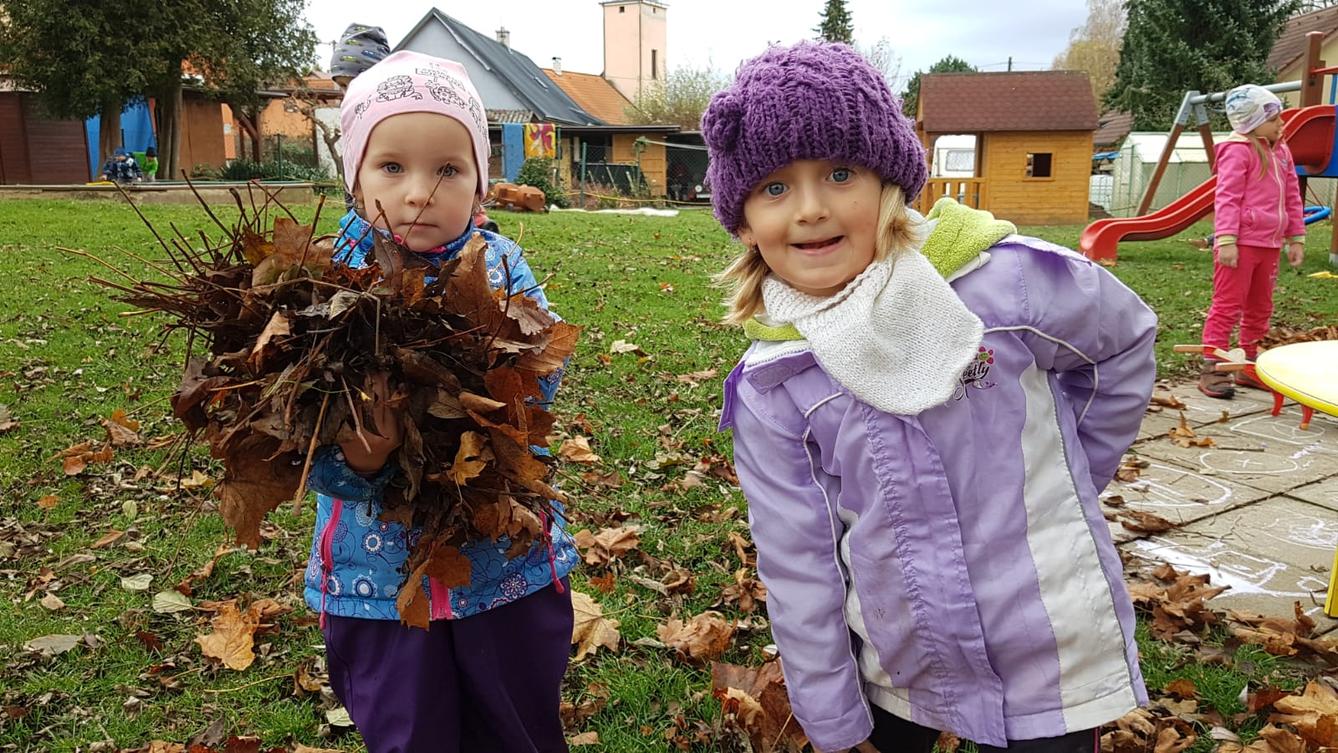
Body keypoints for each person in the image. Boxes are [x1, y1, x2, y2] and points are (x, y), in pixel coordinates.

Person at [704, 42, 1157, 753]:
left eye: (840, 172)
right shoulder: (778, 382)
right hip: (902, 654)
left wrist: (1071, 476)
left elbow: (1123, 343)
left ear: (890, 178)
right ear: (742, 218)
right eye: (774, 187)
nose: (811, 210)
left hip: (1050, 644)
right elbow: (799, 563)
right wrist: (832, 718)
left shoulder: (1001, 288)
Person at [302, 50, 577, 753]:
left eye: (448, 169)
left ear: (479, 182)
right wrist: (360, 459)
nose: (420, 192)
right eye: (392, 167)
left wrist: (477, 393)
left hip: (503, 565)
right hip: (378, 582)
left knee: (518, 725)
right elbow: (300, 430)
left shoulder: (502, 262)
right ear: (356, 177)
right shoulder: (330, 278)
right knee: (410, 732)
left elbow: (537, 377)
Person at [1199, 84, 1306, 398]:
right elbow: (1227, 197)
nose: (1281, 124)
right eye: (1273, 119)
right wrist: (1227, 239)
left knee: (1261, 306)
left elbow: (1292, 196)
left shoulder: (1282, 151)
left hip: (1269, 244)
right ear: (1250, 122)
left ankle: (1248, 362)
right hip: (1240, 243)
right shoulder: (1238, 151)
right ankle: (1213, 367)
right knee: (1227, 305)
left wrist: (1295, 237)